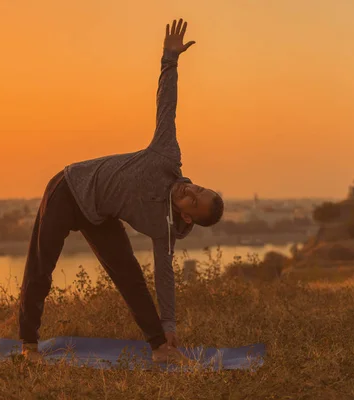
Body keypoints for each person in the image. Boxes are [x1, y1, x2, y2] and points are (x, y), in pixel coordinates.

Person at [19, 18, 224, 363]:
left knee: (129, 274)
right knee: (41, 267)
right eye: (197, 188)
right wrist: (169, 59)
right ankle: (28, 346)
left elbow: (164, 273)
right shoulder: (166, 155)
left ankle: (160, 348)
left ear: (188, 215)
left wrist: (169, 322)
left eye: (194, 201)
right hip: (69, 187)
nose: (190, 191)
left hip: (99, 214)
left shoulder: (165, 229)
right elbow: (167, 106)